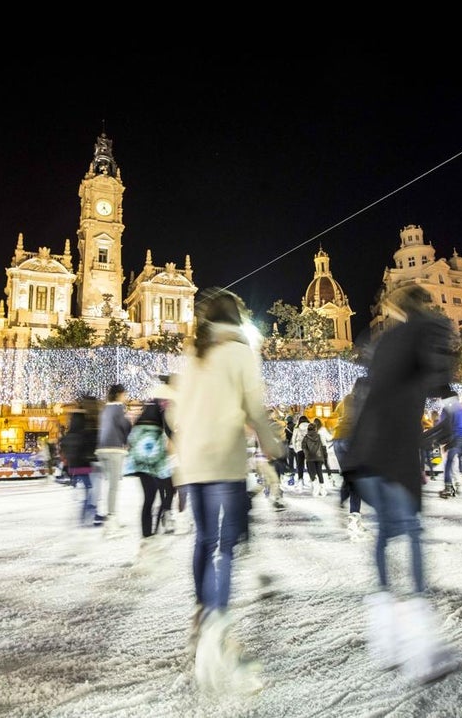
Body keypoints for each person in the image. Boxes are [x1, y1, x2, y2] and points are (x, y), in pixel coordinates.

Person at [167, 287, 285, 695]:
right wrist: (272, 444)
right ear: (235, 319)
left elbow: (177, 410)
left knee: (204, 540)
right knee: (224, 546)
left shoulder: (195, 355)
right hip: (222, 459)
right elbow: (254, 406)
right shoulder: (239, 353)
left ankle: (203, 619)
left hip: (192, 460)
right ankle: (216, 632)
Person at [349, 284, 461, 684]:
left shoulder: (382, 341)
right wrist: (450, 403)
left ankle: (385, 637)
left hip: (364, 450)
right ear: (423, 305)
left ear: (393, 309)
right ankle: (420, 646)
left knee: (383, 534)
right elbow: (438, 371)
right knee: (411, 532)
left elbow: (368, 390)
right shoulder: (430, 327)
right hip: (395, 446)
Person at [124, 389, 174, 541]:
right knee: (167, 489)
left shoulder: (141, 419)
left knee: (148, 497)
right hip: (153, 463)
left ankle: (147, 533)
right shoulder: (162, 412)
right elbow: (170, 433)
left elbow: (130, 440)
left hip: (139, 463)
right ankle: (162, 519)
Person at [334, 375, 370, 541]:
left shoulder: (347, 398)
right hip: (352, 441)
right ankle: (354, 519)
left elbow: (335, 415)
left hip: (337, 440)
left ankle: (346, 504)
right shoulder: (366, 402)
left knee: (351, 477)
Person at [60, 396, 101, 526]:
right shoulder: (85, 434)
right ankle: (86, 516)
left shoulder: (69, 435)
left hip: (73, 468)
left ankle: (87, 514)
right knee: (90, 491)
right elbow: (91, 447)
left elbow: (63, 449)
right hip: (85, 467)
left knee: (82, 491)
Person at [95, 383, 132, 529]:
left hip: (102, 449)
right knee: (113, 486)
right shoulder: (118, 408)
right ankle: (111, 517)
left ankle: (106, 513)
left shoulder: (105, 409)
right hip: (114, 449)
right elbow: (125, 426)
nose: (126, 397)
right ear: (119, 395)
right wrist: (126, 440)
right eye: (125, 394)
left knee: (108, 484)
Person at [300, 417, 330, 496]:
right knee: (319, 472)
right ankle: (322, 489)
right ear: (315, 429)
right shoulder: (319, 436)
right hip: (319, 457)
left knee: (312, 473)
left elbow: (303, 447)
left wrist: (307, 454)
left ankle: (315, 487)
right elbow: (323, 446)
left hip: (310, 458)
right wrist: (324, 456)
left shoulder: (306, 437)